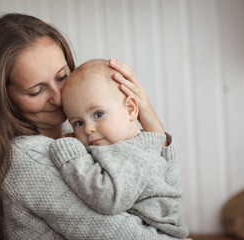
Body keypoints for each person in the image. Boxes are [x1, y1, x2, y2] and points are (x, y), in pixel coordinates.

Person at [0, 13, 190, 240]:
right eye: (37, 91)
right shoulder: (29, 158)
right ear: (3, 98)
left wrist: (150, 120)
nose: (58, 97)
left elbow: (164, 206)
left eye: (62, 76)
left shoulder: (80, 138)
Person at [48, 59, 189, 238]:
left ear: (130, 109)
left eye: (98, 114)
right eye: (78, 122)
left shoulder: (135, 154)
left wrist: (70, 154)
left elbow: (107, 198)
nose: (88, 129)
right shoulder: (133, 146)